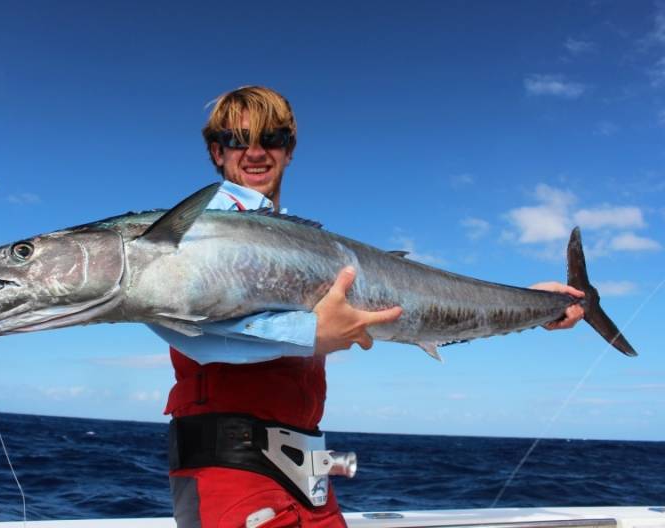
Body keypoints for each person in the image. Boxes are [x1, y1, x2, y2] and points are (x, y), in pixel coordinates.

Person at [152, 86, 585, 527]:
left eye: (273, 139)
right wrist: (311, 334)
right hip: (229, 473)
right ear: (216, 151)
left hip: (310, 480)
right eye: (238, 140)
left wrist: (537, 305)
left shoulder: (311, 245)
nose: (256, 152)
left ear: (289, 150)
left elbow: (410, 314)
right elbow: (195, 331)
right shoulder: (188, 235)